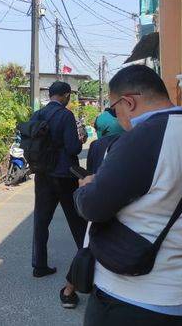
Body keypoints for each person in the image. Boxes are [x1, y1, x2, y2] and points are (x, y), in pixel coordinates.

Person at [73, 65, 182, 325]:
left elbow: (92, 206)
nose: (116, 118)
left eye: (114, 110)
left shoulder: (144, 138)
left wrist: (86, 187)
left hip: (135, 297)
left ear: (129, 102)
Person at [59, 109, 124, 309]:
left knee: (88, 246)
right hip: (125, 202)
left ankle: (69, 291)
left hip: (98, 201)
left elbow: (91, 173)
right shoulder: (132, 142)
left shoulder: (97, 145)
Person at [30, 81, 86, 278]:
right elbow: (73, 148)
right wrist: (81, 141)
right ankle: (86, 265)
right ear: (65, 95)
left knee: (41, 220)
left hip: (42, 173)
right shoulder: (65, 115)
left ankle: (39, 265)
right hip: (64, 174)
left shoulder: (38, 114)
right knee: (77, 220)